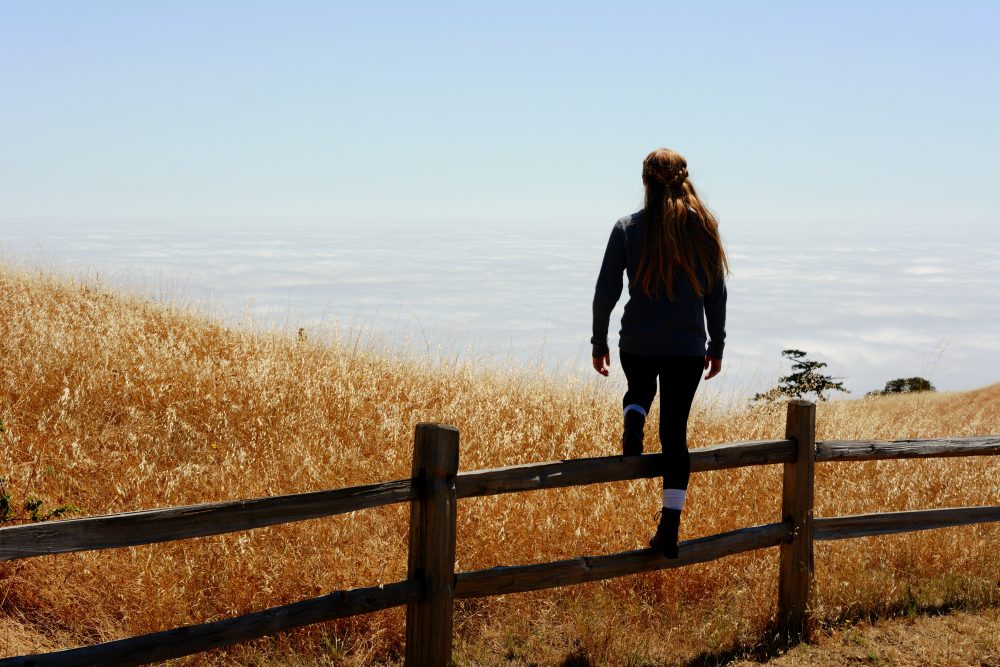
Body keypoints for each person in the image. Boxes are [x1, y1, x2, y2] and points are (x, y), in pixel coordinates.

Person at [591, 147, 728, 559]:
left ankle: (633, 419)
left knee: (637, 389)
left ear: (645, 181)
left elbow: (605, 292)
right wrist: (716, 345)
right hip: (687, 348)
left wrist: (599, 342)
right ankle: (669, 529)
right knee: (674, 436)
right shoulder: (703, 227)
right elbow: (716, 294)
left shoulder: (627, 227)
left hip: (637, 342)